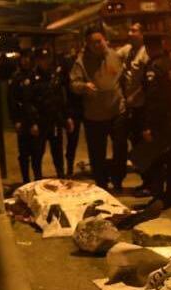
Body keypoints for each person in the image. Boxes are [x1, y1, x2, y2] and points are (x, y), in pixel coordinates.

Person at [70, 27, 128, 192]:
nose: (97, 45)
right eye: (93, 43)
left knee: (121, 148)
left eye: (99, 41)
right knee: (97, 153)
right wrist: (84, 86)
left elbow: (124, 79)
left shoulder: (115, 56)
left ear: (105, 40)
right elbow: (73, 83)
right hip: (94, 116)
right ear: (87, 44)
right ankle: (101, 183)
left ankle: (118, 180)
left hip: (117, 111)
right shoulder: (81, 62)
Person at [139, 32, 171, 209]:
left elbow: (153, 98)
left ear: (148, 48)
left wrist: (148, 125)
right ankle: (170, 194)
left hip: (158, 121)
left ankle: (158, 195)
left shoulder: (153, 66)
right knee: (170, 158)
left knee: (157, 160)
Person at [31, 48, 68, 179]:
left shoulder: (55, 75)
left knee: (57, 151)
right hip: (40, 120)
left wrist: (66, 117)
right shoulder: (32, 77)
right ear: (37, 60)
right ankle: (37, 178)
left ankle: (61, 175)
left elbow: (61, 98)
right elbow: (29, 101)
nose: (45, 62)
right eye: (42, 59)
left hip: (54, 120)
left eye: (47, 59)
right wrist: (33, 122)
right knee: (38, 152)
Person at [9, 50, 41, 182]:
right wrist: (16, 120)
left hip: (35, 121)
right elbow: (12, 101)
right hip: (22, 121)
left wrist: (36, 122)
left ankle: (38, 179)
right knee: (23, 154)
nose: (26, 60)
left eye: (28, 58)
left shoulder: (36, 76)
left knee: (37, 153)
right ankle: (26, 180)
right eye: (23, 58)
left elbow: (39, 100)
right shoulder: (16, 78)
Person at [119, 23, 149, 150]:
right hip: (129, 103)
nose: (129, 33)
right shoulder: (128, 49)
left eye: (134, 31)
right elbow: (112, 56)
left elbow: (147, 81)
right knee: (132, 136)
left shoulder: (145, 52)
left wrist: (134, 96)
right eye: (129, 30)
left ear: (142, 34)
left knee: (142, 137)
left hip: (141, 103)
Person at [61, 47, 83, 177]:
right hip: (73, 107)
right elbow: (64, 90)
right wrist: (67, 113)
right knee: (72, 139)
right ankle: (69, 168)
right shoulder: (69, 64)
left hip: (87, 105)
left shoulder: (88, 63)